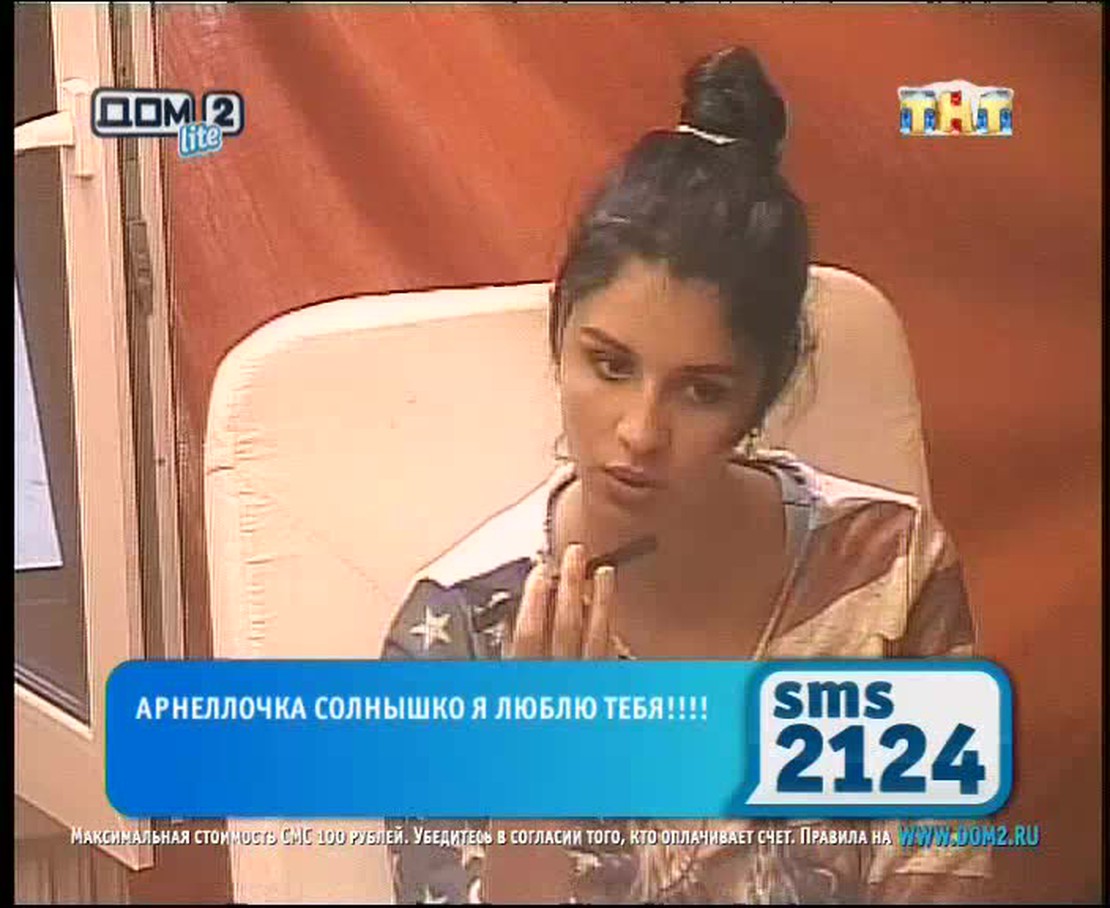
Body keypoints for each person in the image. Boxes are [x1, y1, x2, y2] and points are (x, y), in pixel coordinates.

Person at [381, 47, 989, 904]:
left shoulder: (890, 576)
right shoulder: (456, 638)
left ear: (763, 395)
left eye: (702, 390)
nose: (640, 433)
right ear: (558, 339)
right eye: (609, 365)